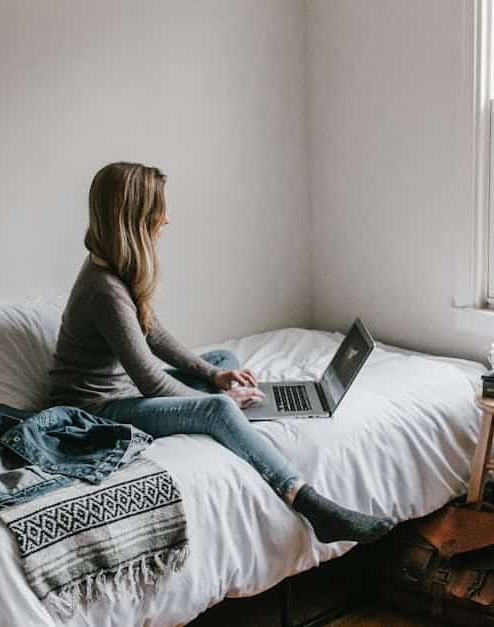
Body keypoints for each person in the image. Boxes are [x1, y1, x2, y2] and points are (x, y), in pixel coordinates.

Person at [47, 161, 393, 544]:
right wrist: (218, 400)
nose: (167, 220)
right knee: (218, 408)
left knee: (222, 362)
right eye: (159, 211)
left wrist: (214, 378)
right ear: (136, 218)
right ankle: (310, 504)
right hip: (94, 410)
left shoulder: (114, 268)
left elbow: (154, 335)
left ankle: (230, 414)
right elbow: (148, 379)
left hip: (122, 390)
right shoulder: (104, 290)